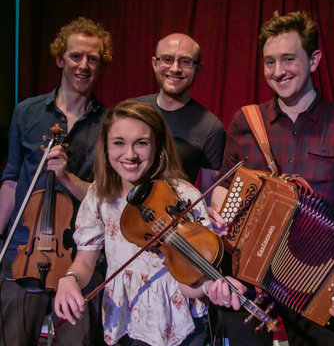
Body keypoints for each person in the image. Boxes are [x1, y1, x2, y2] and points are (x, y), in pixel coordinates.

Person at [205, 11, 334, 346]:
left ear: (314, 59)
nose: (277, 72)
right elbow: (222, 188)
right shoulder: (245, 120)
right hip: (249, 277)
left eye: (288, 59)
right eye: (269, 62)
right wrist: (218, 211)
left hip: (317, 279)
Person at [54, 100, 214, 346]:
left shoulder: (185, 197)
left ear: (158, 146)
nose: (130, 154)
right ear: (106, 148)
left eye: (141, 143)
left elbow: (189, 285)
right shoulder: (100, 195)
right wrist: (70, 279)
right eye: (119, 143)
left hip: (180, 329)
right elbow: (84, 263)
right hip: (124, 321)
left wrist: (209, 287)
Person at [0, 17, 113, 345]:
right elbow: (10, 179)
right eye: (76, 56)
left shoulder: (110, 123)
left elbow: (105, 196)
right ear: (60, 59)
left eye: (93, 59)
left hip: (82, 257)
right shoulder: (27, 113)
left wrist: (66, 176)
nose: (84, 65)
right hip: (23, 249)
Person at [136, 33, 225, 193]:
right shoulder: (131, 111)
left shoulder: (210, 127)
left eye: (185, 62)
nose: (175, 68)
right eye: (167, 59)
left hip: (173, 216)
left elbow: (208, 197)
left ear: (198, 69)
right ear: (154, 64)